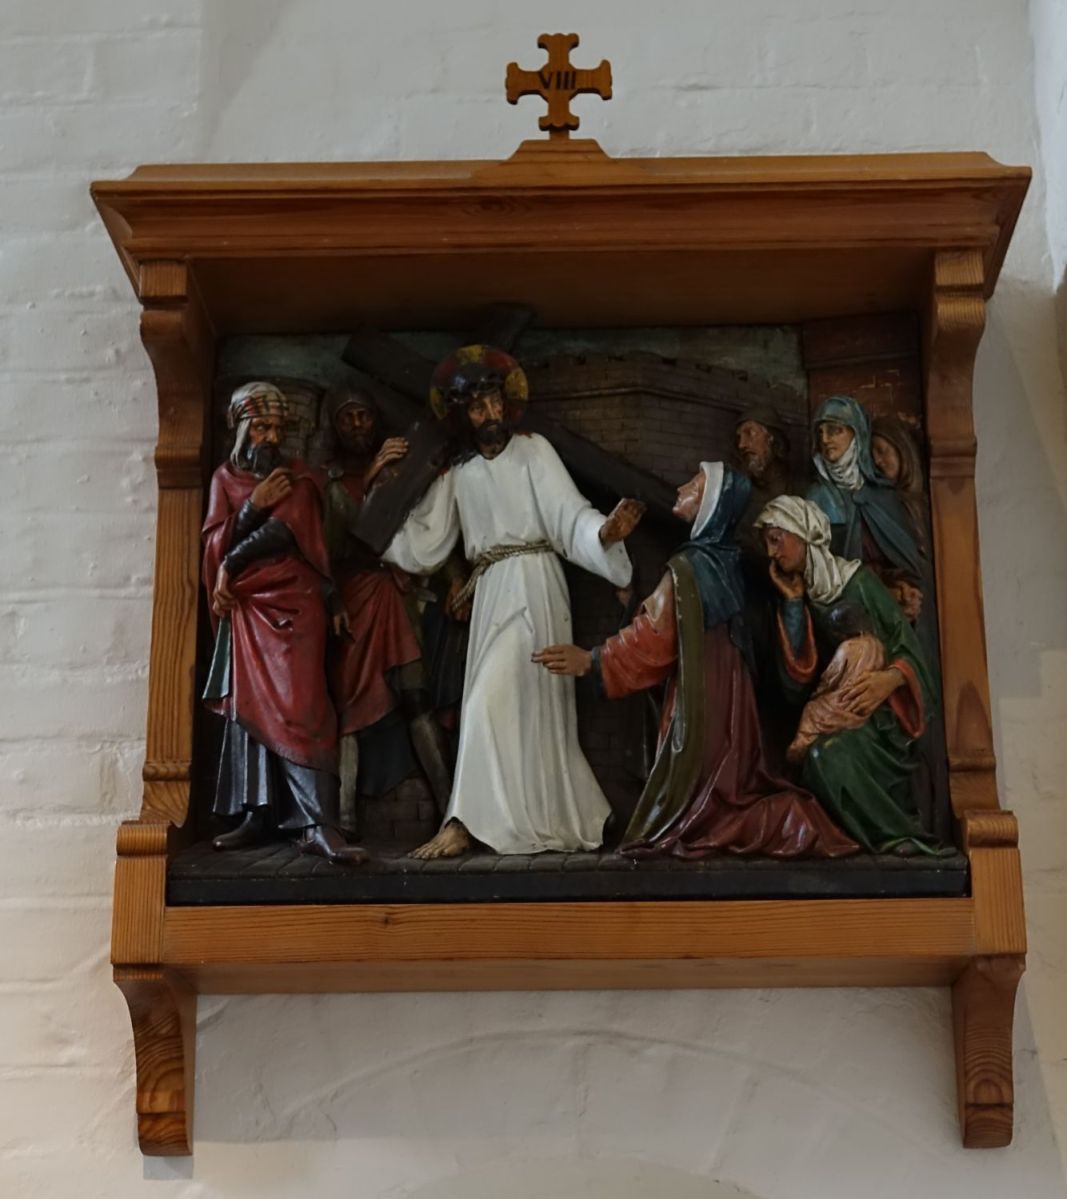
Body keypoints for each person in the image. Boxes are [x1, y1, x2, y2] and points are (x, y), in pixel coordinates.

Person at [382, 345, 645, 859]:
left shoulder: (533, 452)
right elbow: (425, 538)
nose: (490, 414)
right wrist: (377, 520)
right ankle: (522, 818)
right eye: (478, 408)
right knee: (497, 702)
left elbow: (570, 516)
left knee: (494, 701)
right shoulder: (460, 474)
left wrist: (604, 534)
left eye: (495, 403)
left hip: (536, 584)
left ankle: (465, 822)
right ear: (464, 416)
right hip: (491, 591)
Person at [533, 463, 857, 860]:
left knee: (702, 799)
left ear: (712, 505)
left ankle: (779, 821)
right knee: (721, 786)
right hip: (731, 697)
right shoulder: (725, 562)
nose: (682, 488)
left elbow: (654, 637)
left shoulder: (692, 567)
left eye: (695, 485)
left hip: (702, 695)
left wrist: (593, 660)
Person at [201, 381, 367, 864]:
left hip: (295, 603)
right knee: (248, 708)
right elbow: (212, 541)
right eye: (261, 427)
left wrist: (230, 563)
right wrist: (251, 506)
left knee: (303, 706)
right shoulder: (224, 479)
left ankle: (318, 823)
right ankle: (258, 814)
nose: (271, 437)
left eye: (277, 427)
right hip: (247, 608)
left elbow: (285, 531)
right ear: (240, 428)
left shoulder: (300, 478)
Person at [753, 495, 943, 856]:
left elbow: (912, 653)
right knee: (820, 757)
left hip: (882, 721)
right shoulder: (800, 597)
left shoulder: (859, 583)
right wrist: (792, 604)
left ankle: (898, 835)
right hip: (837, 714)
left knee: (826, 756)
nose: (771, 553)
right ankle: (870, 838)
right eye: (767, 543)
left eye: (776, 539)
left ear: (803, 533)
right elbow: (794, 687)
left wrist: (888, 680)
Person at [320, 387, 453, 830]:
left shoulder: (399, 475)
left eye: (364, 415)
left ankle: (450, 807)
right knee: (351, 705)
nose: (357, 425)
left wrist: (454, 576)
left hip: (394, 599)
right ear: (334, 425)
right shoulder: (332, 483)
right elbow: (332, 548)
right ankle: (344, 816)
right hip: (353, 599)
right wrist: (372, 474)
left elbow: (424, 528)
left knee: (417, 696)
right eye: (347, 417)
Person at [786, 602, 886, 764]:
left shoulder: (847, 648)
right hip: (865, 702)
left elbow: (831, 678)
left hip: (846, 699)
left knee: (812, 709)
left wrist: (818, 692)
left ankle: (800, 749)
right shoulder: (877, 645)